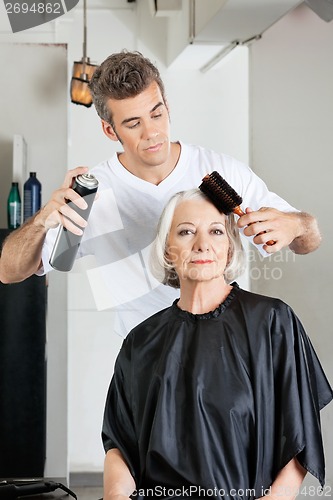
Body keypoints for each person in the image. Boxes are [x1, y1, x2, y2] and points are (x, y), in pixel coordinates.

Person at [0, 51, 321, 336]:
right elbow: (10, 271)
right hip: (147, 359)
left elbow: (309, 241)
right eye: (133, 123)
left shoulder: (221, 170)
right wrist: (43, 219)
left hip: (226, 344)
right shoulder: (92, 195)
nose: (152, 132)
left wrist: (297, 225)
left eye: (156, 113)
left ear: (167, 106)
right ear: (110, 130)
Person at [102, 188, 332, 500]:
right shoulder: (140, 341)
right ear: (168, 250)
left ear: (230, 248)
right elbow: (119, 444)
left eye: (215, 231)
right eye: (185, 232)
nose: (202, 244)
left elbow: (299, 435)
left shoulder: (272, 321)